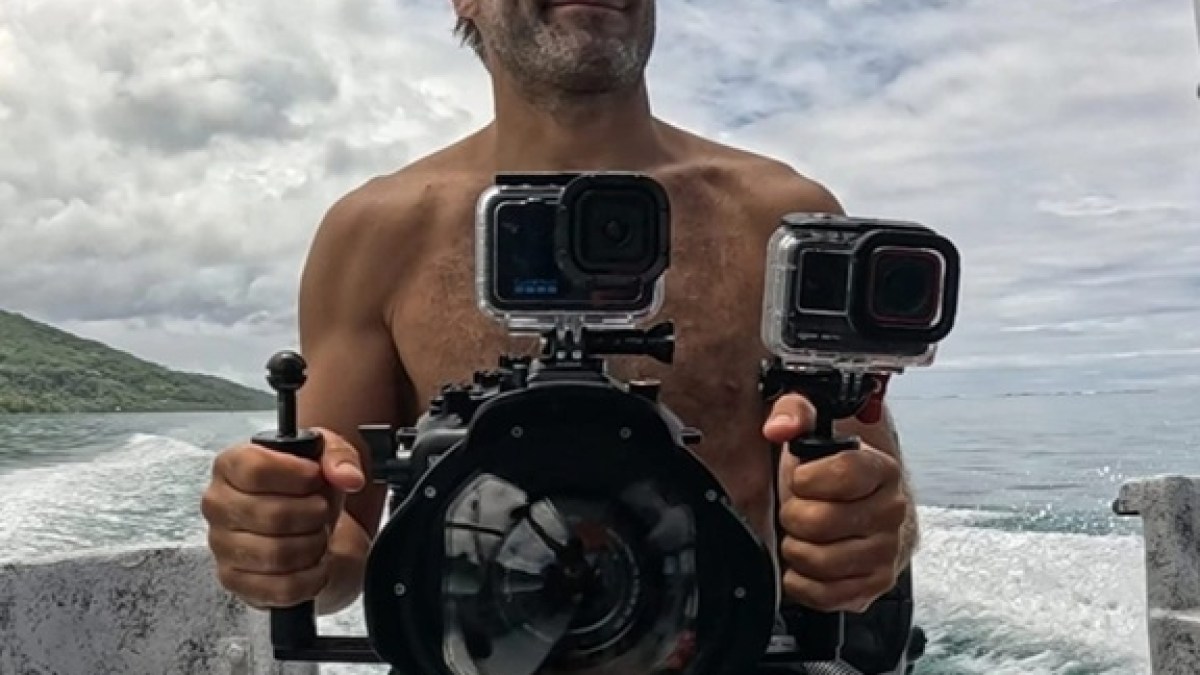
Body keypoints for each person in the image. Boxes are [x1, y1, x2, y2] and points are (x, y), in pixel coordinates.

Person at [201, 0, 917, 640]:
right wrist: (284, 544)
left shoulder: (780, 223)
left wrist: (860, 536)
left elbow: (870, 503)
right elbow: (343, 548)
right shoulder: (374, 235)